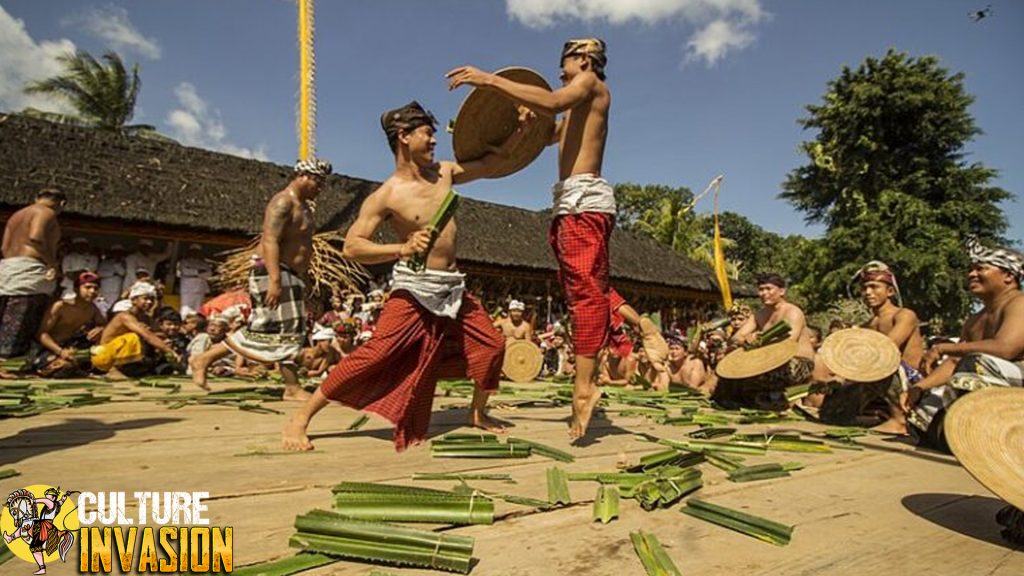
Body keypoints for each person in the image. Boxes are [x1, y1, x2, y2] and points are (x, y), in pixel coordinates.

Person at [447, 38, 669, 440]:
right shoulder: (576, 105)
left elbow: (552, 101)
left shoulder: (589, 84)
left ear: (584, 59)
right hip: (572, 203)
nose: (559, 67)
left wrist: (488, 81)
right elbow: (548, 134)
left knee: (584, 293)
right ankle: (639, 324)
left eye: (564, 59)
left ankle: (583, 388)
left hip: (584, 201)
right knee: (583, 287)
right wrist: (523, 127)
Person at [282, 100, 529, 451]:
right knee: (378, 353)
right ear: (404, 136)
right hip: (414, 288)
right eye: (427, 134)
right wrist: (402, 248)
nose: (433, 141)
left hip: (452, 287)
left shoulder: (444, 172)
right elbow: (353, 247)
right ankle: (301, 417)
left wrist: (521, 131)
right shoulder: (386, 195)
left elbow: (491, 164)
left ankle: (477, 413)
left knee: (491, 344)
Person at [189, 159, 333, 398]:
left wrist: (303, 277)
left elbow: (303, 247)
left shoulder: (305, 206)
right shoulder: (283, 202)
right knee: (266, 327)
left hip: (290, 274)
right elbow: (270, 240)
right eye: (318, 182)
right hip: (272, 270)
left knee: (289, 330)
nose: (320, 188)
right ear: (304, 177)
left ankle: (291, 386)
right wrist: (275, 280)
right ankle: (204, 359)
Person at [900, 239, 1024, 446]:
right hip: (984, 376)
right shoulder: (974, 320)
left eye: (980, 268)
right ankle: (965, 440)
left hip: (1014, 384)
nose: (971, 274)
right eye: (971, 269)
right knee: (919, 414)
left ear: (1008, 276)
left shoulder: (1019, 302)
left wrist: (943, 347)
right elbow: (954, 363)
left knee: (977, 363)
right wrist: (917, 389)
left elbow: (1006, 348)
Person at [721, 272, 815, 410]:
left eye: (768, 289)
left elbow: (788, 342)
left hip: (797, 361)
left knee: (762, 375)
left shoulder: (793, 312)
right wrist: (746, 339)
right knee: (732, 363)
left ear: (782, 291)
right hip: (768, 359)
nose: (764, 293)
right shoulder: (760, 314)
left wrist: (761, 339)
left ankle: (782, 400)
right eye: (761, 289)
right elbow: (735, 338)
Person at [0, 189, 64, 374]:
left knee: (6, 315)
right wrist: (52, 263)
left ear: (37, 197)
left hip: (8, 267)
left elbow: (4, 247)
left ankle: (11, 364)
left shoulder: (16, 215)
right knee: (21, 318)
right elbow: (36, 237)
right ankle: (5, 366)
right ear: (62, 204)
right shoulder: (46, 212)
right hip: (30, 268)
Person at [91, 283, 181, 380]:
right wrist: (168, 350)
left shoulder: (146, 318)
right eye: (145, 298)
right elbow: (146, 335)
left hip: (120, 355)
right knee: (134, 337)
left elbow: (159, 334)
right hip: (104, 356)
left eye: (151, 299)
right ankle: (113, 371)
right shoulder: (125, 316)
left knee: (153, 340)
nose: (149, 302)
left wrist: (164, 341)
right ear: (134, 300)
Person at [31, 272, 106, 377]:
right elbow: (41, 334)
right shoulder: (60, 306)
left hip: (69, 347)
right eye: (87, 287)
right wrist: (60, 351)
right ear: (76, 289)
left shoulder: (92, 309)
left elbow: (104, 324)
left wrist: (100, 328)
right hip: (48, 348)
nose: (92, 291)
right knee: (66, 367)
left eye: (96, 288)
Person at [176, 243, 212, 316]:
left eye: (197, 252)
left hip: (200, 289)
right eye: (194, 251)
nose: (195, 253)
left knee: (198, 308)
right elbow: (185, 271)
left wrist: (194, 272)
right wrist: (199, 272)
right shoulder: (184, 261)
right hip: (188, 289)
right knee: (186, 307)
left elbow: (209, 274)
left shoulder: (203, 263)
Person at [97, 244, 127, 313]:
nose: (117, 254)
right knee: (104, 306)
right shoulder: (105, 262)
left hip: (117, 289)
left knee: (115, 306)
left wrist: (117, 263)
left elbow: (122, 273)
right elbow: (100, 273)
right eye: (115, 252)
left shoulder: (123, 262)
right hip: (105, 288)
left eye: (119, 252)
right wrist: (113, 273)